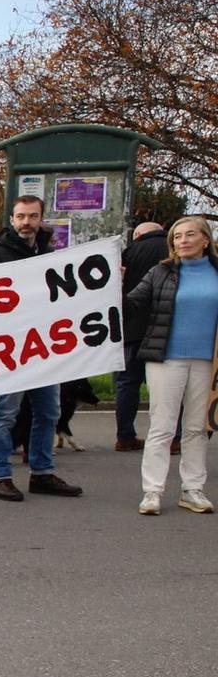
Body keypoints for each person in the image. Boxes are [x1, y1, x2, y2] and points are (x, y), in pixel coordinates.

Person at [0, 195, 84, 502]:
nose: (27, 222)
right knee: (6, 413)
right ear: (11, 219)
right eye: (21, 216)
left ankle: (42, 472)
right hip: (11, 348)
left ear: (41, 219)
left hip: (44, 347)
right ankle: (0, 476)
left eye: (33, 216)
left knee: (49, 412)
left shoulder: (48, 254)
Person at [125, 215, 216, 515]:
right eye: (178, 237)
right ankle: (152, 491)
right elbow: (132, 304)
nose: (183, 241)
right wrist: (116, 283)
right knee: (162, 427)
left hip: (207, 362)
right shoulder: (160, 272)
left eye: (190, 235)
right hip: (166, 359)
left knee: (195, 428)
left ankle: (193, 489)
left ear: (206, 239)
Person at [116, 220, 171, 451]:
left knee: (128, 383)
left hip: (132, 328)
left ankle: (125, 435)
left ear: (138, 235)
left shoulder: (129, 252)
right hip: (166, 327)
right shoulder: (173, 250)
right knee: (169, 385)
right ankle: (173, 438)